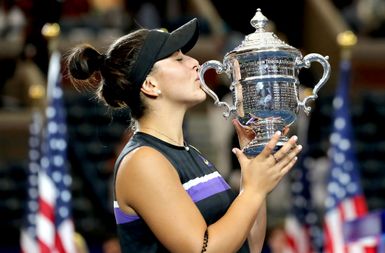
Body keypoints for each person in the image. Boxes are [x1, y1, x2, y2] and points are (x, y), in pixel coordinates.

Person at [65, 18, 302, 253]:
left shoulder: (188, 153)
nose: (195, 63)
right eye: (178, 59)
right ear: (150, 85)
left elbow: (249, 244)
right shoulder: (143, 161)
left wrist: (250, 172)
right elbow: (202, 249)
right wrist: (254, 191)